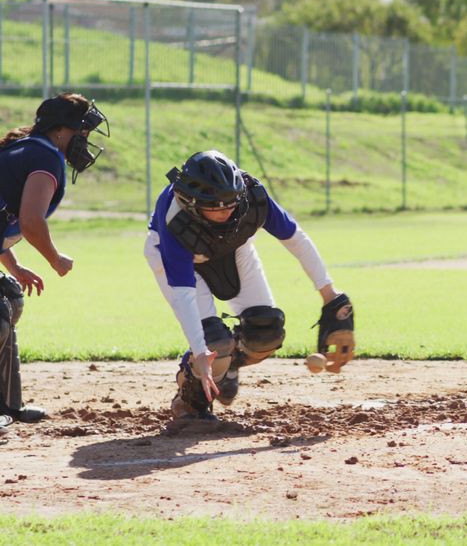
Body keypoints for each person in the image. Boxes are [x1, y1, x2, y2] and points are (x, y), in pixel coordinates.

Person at [144, 149, 355, 425]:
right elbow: (184, 294)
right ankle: (190, 401)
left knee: (266, 331)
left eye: (230, 203)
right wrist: (200, 352)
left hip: (234, 248)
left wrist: (330, 295)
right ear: (191, 203)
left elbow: (296, 239)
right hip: (179, 260)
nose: (225, 210)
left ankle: (227, 366)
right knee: (213, 343)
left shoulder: (252, 196)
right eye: (215, 206)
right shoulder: (176, 222)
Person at [0, 93, 109, 424]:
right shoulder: (45, 158)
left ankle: (6, 406)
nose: (85, 142)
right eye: (83, 132)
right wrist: (54, 258)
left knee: (9, 297)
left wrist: (15, 266)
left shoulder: (21, 151)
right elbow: (32, 221)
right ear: (61, 131)